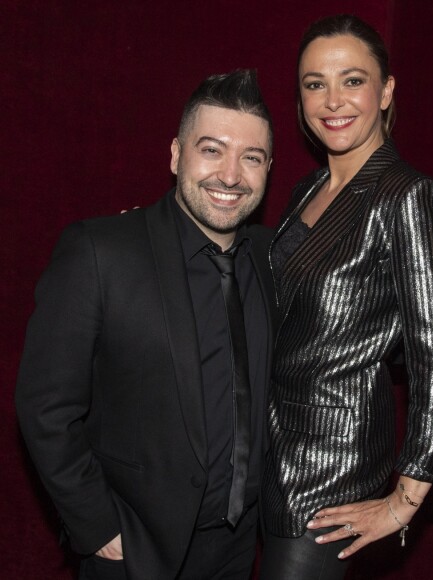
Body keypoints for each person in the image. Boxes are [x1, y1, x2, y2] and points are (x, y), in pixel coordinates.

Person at [15, 69, 276, 580]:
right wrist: (97, 528)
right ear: (177, 154)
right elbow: (45, 406)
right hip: (136, 550)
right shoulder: (101, 251)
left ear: (268, 169)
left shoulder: (273, 259)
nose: (230, 175)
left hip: (240, 548)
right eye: (211, 149)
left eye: (251, 157)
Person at [259, 15, 433, 579]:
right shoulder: (309, 188)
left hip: (329, 473)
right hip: (263, 454)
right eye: (314, 83)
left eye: (352, 80)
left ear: (386, 91)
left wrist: (404, 500)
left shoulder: (407, 197)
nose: (332, 100)